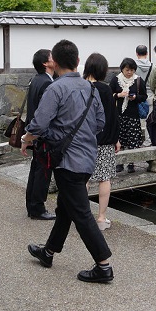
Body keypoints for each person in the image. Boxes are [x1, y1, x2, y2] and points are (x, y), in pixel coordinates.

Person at [22, 39, 113, 284]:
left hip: (66, 159)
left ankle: (103, 265)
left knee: (81, 212)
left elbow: (39, 124)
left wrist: (25, 138)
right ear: (78, 60)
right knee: (65, 208)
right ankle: (48, 251)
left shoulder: (56, 89)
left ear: (55, 62)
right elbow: (100, 123)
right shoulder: (92, 89)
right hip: (87, 157)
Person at [83, 52, 119, 231]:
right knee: (104, 179)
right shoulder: (105, 90)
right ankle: (101, 218)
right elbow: (112, 116)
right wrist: (116, 139)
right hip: (104, 141)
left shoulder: (80, 87)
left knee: (84, 178)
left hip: (83, 141)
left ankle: (81, 216)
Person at [22, 49, 56, 220]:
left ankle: (32, 204)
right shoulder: (46, 83)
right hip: (43, 135)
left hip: (35, 133)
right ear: (45, 63)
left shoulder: (37, 80)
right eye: (51, 57)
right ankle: (37, 208)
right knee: (43, 172)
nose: (54, 59)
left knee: (36, 170)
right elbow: (45, 113)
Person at [110, 57, 147, 173]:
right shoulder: (116, 80)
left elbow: (144, 96)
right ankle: (119, 163)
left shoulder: (138, 80)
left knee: (132, 140)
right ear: (122, 69)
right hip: (119, 114)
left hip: (133, 114)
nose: (129, 72)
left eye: (132, 70)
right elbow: (109, 94)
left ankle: (131, 163)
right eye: (127, 70)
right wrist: (119, 95)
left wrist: (135, 97)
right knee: (120, 139)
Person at [135, 44, 154, 146]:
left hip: (137, 96)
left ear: (136, 53)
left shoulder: (132, 66)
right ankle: (148, 141)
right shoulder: (153, 66)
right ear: (147, 53)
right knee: (149, 120)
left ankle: (135, 140)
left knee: (135, 119)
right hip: (150, 95)